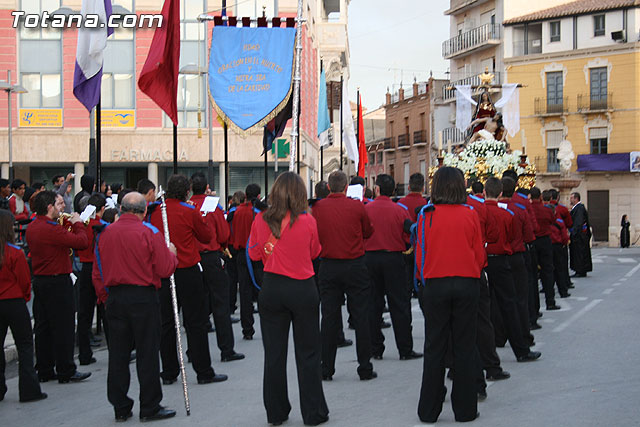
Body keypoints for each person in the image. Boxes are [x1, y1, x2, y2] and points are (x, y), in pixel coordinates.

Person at [248, 172, 329, 426]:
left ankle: (276, 411)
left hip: (272, 288)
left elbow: (252, 254)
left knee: (274, 354)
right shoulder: (308, 221)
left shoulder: (261, 219)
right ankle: (313, 413)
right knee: (308, 353)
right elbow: (316, 251)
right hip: (302, 287)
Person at [94, 192, 178, 422]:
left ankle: (120, 405)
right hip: (142, 296)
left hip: (116, 297)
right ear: (143, 211)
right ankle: (149, 405)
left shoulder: (106, 234)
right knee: (147, 352)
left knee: (119, 354)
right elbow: (164, 269)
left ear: (121, 209)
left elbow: (99, 267)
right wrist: (172, 255)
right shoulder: (148, 232)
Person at [414, 167, 485, 423]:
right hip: (467, 283)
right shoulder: (470, 213)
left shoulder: (426, 214)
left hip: (435, 284)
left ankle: (429, 411)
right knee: (465, 347)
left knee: (434, 347)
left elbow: (420, 252)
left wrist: (423, 281)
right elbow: (479, 253)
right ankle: (465, 411)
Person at [149, 174, 226, 385]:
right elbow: (206, 236)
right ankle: (203, 370)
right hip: (187, 269)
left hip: (165, 271)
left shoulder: (156, 212)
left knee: (167, 323)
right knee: (196, 322)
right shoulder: (189, 210)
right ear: (187, 191)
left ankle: (169, 370)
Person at [312, 171, 376, 381]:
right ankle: (364, 366)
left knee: (329, 318)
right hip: (355, 264)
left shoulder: (318, 209)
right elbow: (368, 231)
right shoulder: (356, 206)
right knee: (361, 316)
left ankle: (326, 368)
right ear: (346, 187)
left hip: (329, 266)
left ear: (329, 187)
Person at [26, 191, 91, 383]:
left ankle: (45, 368)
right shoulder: (51, 229)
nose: (62, 208)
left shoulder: (33, 227)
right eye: (59, 204)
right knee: (64, 326)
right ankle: (66, 369)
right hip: (58, 280)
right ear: (49, 207)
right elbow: (81, 242)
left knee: (43, 326)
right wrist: (78, 222)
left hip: (41, 280)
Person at [483, 178, 541, 363]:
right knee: (510, 304)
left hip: (482, 262)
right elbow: (514, 238)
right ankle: (521, 349)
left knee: (484, 307)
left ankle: (489, 347)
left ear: (484, 192)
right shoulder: (508, 215)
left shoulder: (476, 213)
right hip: (502, 260)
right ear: (500, 194)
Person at [365, 174, 421, 361]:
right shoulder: (400, 210)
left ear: (377, 189)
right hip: (393, 259)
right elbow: (408, 236)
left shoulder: (367, 209)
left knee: (373, 304)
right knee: (399, 305)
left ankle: (375, 348)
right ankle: (405, 349)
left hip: (370, 258)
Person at [189, 172, 244, 363]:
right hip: (211, 256)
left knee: (194, 307)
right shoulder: (213, 206)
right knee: (220, 304)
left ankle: (192, 350)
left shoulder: (188, 206)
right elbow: (223, 234)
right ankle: (226, 349)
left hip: (191, 259)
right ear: (206, 188)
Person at [0, 210, 47, 403]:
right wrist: (24, 296)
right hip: (14, 301)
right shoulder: (14, 252)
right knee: (26, 346)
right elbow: (24, 280)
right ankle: (28, 390)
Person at [227, 183, 265, 340]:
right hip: (255, 255)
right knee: (262, 290)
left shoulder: (235, 212)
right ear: (257, 196)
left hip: (241, 254)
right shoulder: (257, 212)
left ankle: (247, 329)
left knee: (244, 291)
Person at [75, 193, 108, 366]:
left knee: (84, 312)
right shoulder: (102, 225)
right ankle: (116, 349)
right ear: (102, 209)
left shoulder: (80, 225)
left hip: (84, 267)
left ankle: (84, 354)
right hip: (99, 268)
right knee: (106, 309)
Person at [530, 187, 560, 310]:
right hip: (545, 240)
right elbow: (553, 220)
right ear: (541, 197)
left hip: (533, 240)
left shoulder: (529, 209)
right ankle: (550, 301)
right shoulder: (546, 210)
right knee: (548, 270)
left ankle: (534, 308)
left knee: (532, 274)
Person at [569, 192, 593, 277]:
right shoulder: (577, 208)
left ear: (576, 199)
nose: (570, 200)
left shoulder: (579, 208)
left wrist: (574, 233)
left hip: (579, 237)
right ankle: (580, 269)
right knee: (579, 253)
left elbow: (578, 222)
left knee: (579, 253)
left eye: (571, 198)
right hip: (581, 236)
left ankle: (580, 270)